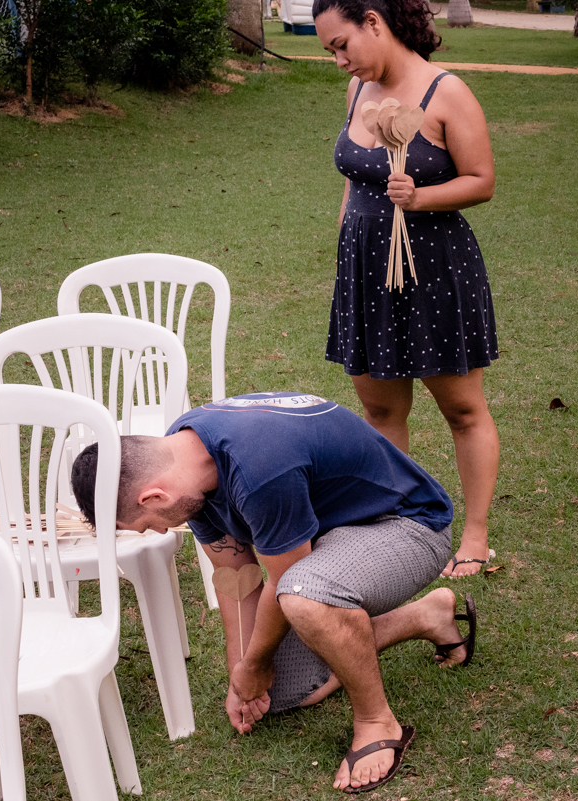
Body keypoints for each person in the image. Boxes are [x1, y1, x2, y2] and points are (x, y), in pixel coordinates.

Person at [69, 391, 477, 794]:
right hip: (328, 541)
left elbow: (286, 580)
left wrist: (256, 662)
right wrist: (241, 675)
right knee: (282, 692)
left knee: (304, 596)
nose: (159, 530)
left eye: (147, 523)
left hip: (409, 527)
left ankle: (377, 723)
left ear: (154, 496)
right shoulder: (183, 463)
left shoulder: (259, 469)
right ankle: (424, 617)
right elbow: (235, 575)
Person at [315, 0, 500, 578]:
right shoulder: (358, 92)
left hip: (435, 271)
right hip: (366, 270)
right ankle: (399, 524)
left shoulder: (447, 93)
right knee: (379, 408)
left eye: (342, 45)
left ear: (374, 22)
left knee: (463, 409)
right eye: (330, 51)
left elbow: (481, 181)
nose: (340, 61)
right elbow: (354, 180)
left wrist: (419, 197)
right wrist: (346, 249)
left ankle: (475, 535)